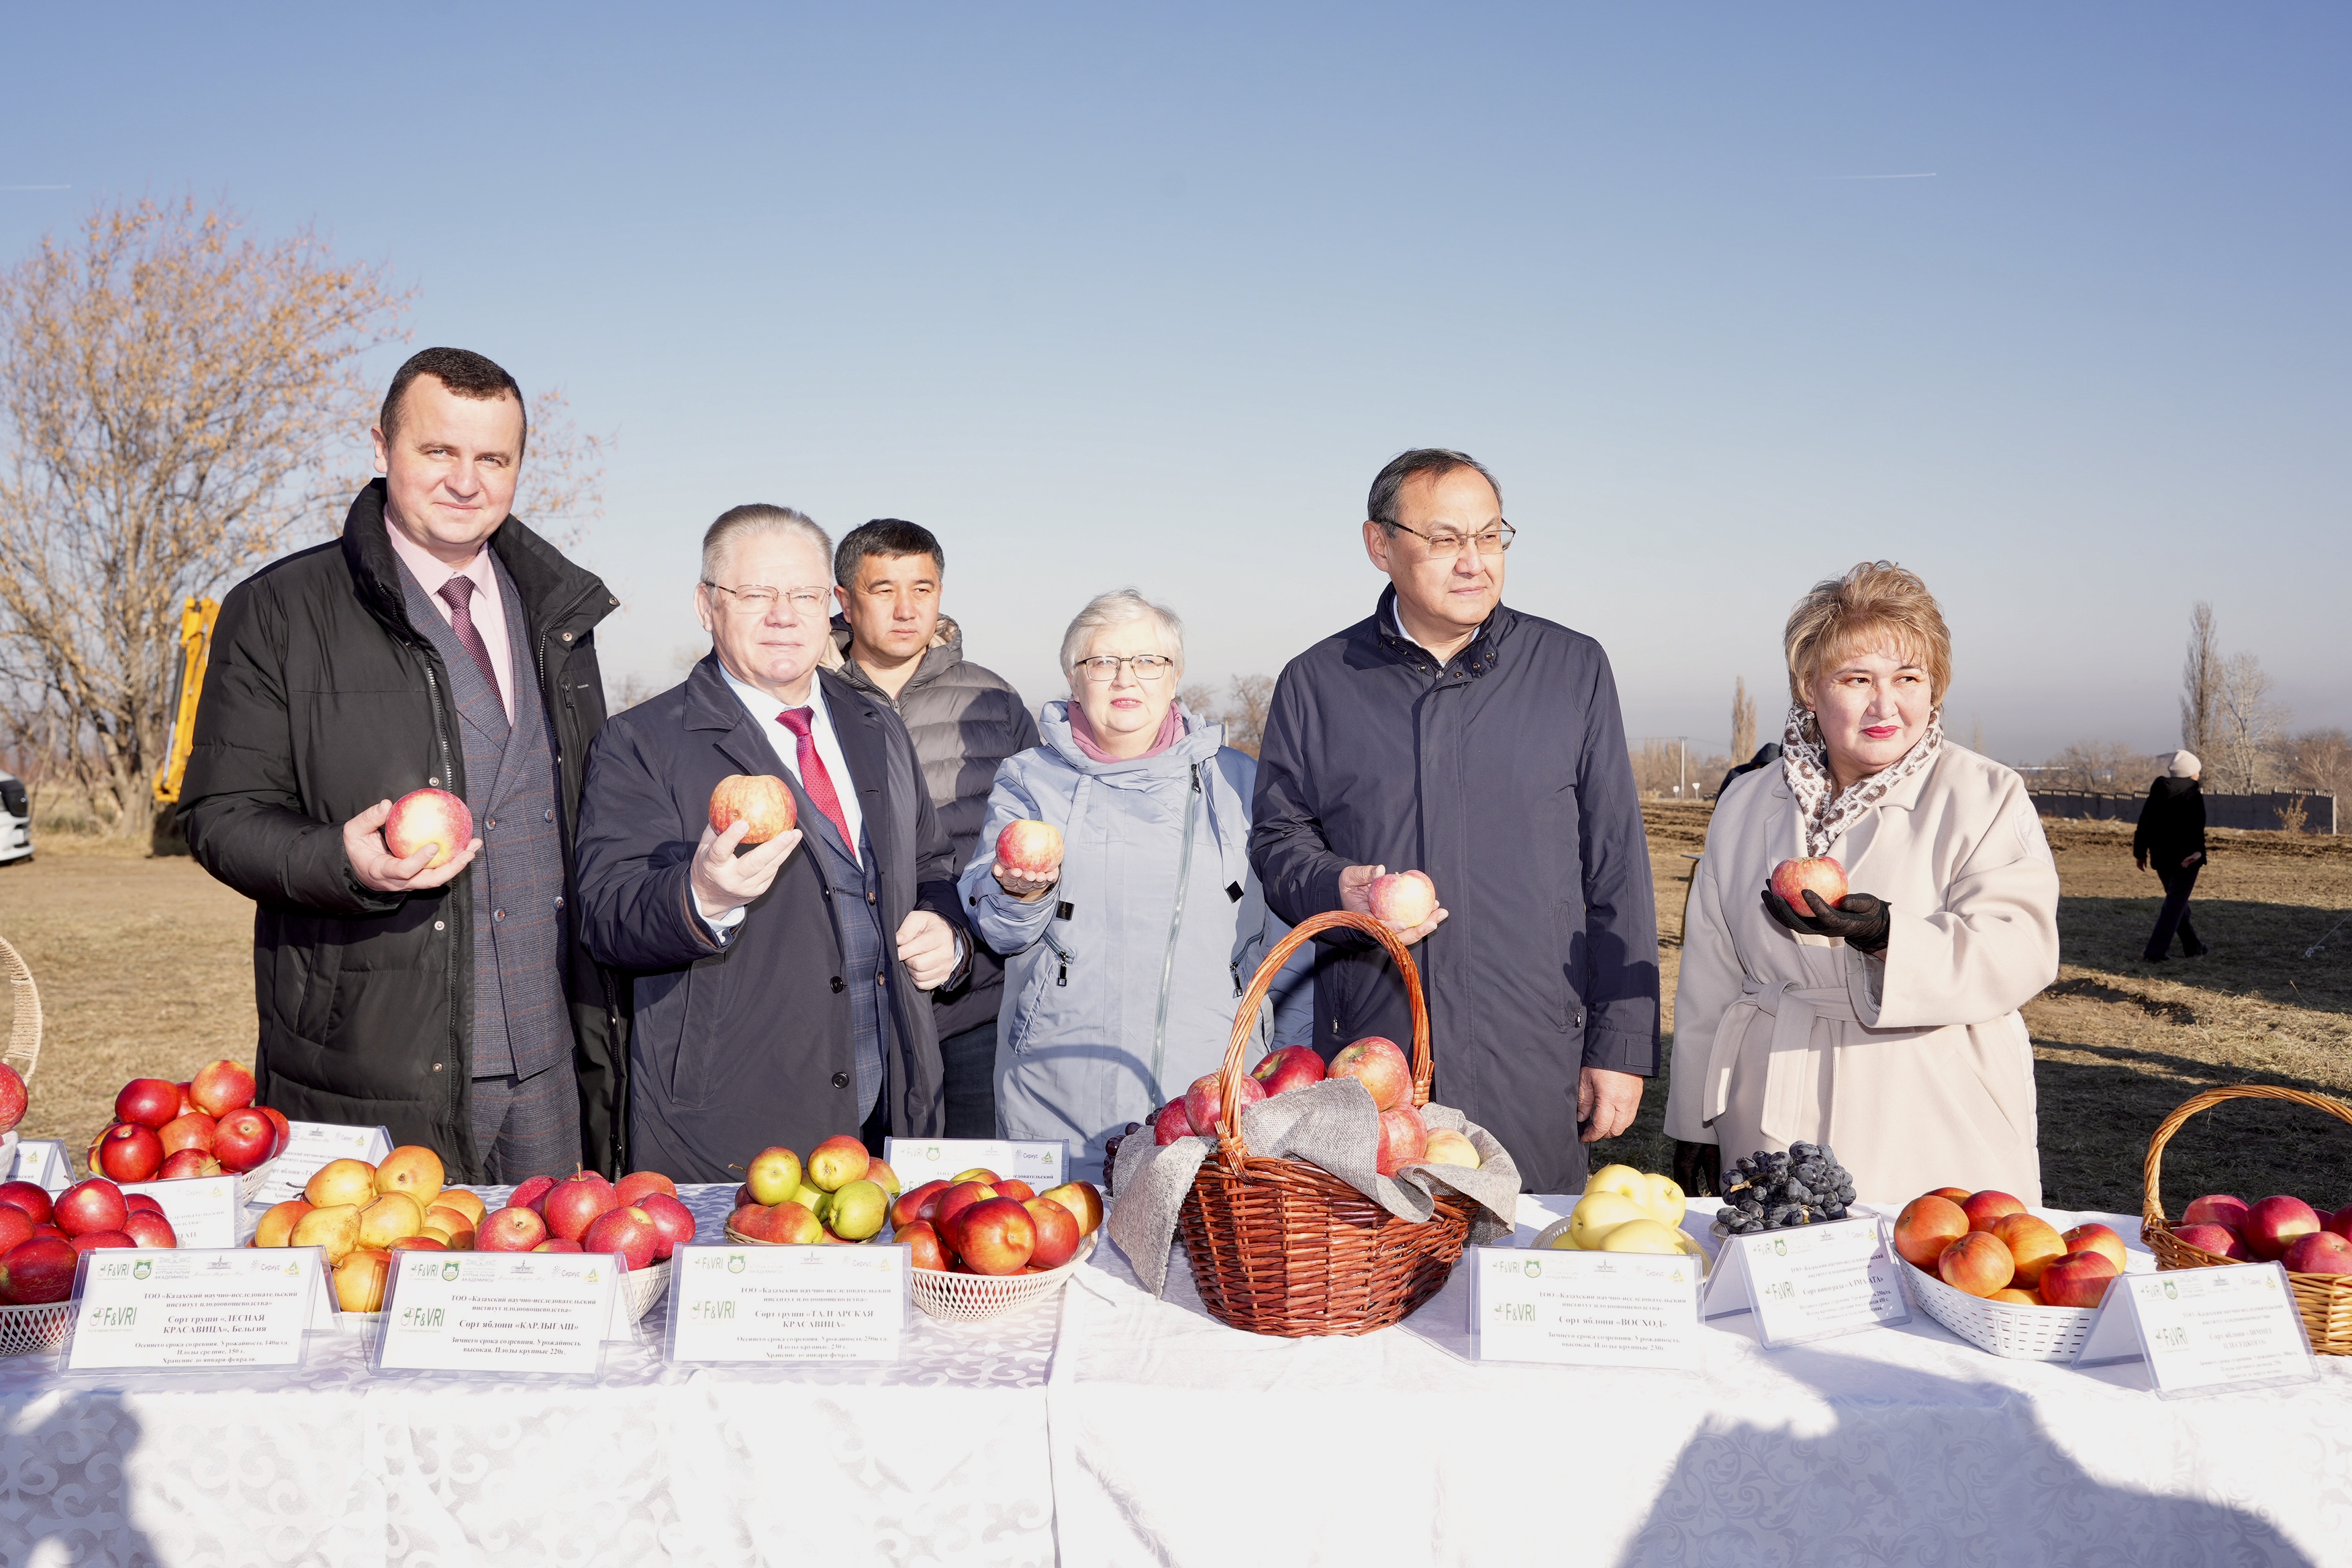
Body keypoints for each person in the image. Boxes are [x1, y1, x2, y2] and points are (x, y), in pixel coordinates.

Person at [180, 348, 625, 1181]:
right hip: (374, 1059)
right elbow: (220, 814)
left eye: (493, 458)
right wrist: (340, 860)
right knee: (383, 1297)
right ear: (381, 447)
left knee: (548, 1302)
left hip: (551, 1060)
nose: (467, 480)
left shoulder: (561, 617)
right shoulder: (278, 609)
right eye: (438, 451)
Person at [1250, 449, 1659, 1194]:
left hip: (1533, 1049)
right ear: (1380, 545)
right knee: (1372, 1270)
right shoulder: (1317, 682)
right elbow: (1278, 841)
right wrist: (1334, 885)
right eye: (1445, 539)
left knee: (1525, 1268)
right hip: (1376, 1051)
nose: (1474, 561)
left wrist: (1620, 1044)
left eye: (1491, 536)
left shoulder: (1572, 669)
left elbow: (1617, 867)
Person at [571, 505, 971, 1180]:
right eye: (755, 594)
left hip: (893, 1114)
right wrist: (700, 896)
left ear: (832, 605)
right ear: (707, 605)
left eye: (805, 595)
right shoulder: (640, 742)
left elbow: (929, 865)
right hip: (739, 1126)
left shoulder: (876, 723)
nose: (783, 615)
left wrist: (948, 932)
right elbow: (605, 916)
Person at [1664, 562, 2061, 1204]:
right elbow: (1710, 973)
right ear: (1809, 688)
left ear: (1935, 689)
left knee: (1927, 1280)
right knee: (1783, 1276)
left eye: (1909, 678)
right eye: (1857, 680)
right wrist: (1694, 1121)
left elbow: (2021, 951)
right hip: (1768, 1100)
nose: (1886, 705)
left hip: (1928, 1103)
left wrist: (1887, 937)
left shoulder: (1985, 796)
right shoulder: (1745, 802)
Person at [961, 591, 1310, 1180]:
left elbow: (1288, 944)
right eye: (1102, 662)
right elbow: (996, 926)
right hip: (1056, 1087)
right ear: (1074, 679)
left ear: (1174, 677)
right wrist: (1022, 893)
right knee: (1056, 1253)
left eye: (1149, 661)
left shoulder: (1239, 782)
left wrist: (1285, 1071)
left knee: (1210, 1262)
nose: (1127, 678)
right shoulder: (1029, 779)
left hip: (1213, 1094)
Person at [826, 519, 1040, 1138]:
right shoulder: (808, 700)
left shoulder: (993, 703)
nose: (905, 609)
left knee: (966, 1209)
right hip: (849, 1019)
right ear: (844, 599)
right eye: (883, 588)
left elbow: (1040, 842)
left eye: (922, 589)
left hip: (969, 1010)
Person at [2135, 751, 2209, 961]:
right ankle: (2154, 953)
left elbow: (2145, 823)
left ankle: (2193, 947)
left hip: (2160, 858)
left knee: (2177, 903)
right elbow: (2196, 827)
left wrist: (2140, 853)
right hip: (2187, 860)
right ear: (2191, 773)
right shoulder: (2193, 795)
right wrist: (2198, 852)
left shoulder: (2158, 791)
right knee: (2175, 905)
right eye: (2197, 770)